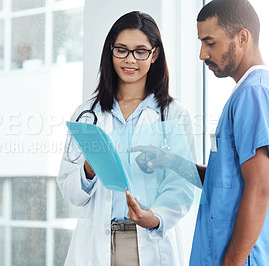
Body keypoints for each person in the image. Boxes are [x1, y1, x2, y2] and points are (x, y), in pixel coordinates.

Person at [57, 11, 197, 266]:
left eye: (140, 51)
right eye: (121, 50)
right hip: (97, 241)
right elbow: (69, 188)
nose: (130, 59)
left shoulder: (173, 115)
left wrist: (153, 218)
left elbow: (182, 185)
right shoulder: (87, 115)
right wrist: (89, 169)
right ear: (110, 52)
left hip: (150, 240)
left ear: (154, 55)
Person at [189, 0, 269, 265]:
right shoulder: (249, 93)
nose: (202, 54)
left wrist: (231, 263)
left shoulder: (254, 93)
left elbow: (259, 188)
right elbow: (227, 182)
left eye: (210, 42)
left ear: (242, 37)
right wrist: (173, 165)